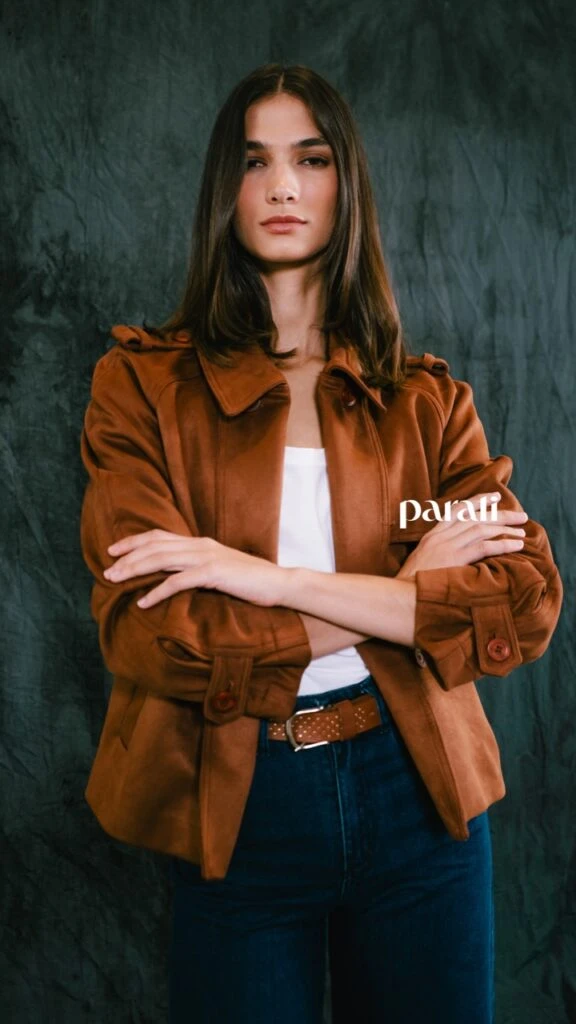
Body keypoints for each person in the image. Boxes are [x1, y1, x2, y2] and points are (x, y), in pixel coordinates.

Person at [79, 63, 563, 1024]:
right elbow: (156, 633)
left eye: (311, 159)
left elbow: (520, 594)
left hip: (420, 795)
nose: (282, 187)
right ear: (224, 190)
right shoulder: (141, 390)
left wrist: (257, 577)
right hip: (239, 802)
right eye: (254, 161)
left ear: (347, 184)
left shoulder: (426, 402)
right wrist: (404, 591)